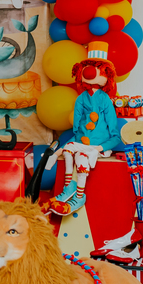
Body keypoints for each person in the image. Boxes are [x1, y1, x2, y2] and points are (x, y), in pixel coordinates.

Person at [47, 42, 120, 216]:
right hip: (81, 143)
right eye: (87, 68)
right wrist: (58, 151)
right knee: (71, 151)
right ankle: (70, 188)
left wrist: (98, 148)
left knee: (78, 154)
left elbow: (115, 136)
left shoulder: (106, 101)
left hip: (98, 146)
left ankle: (78, 195)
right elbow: (76, 130)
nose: (90, 72)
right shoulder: (81, 99)